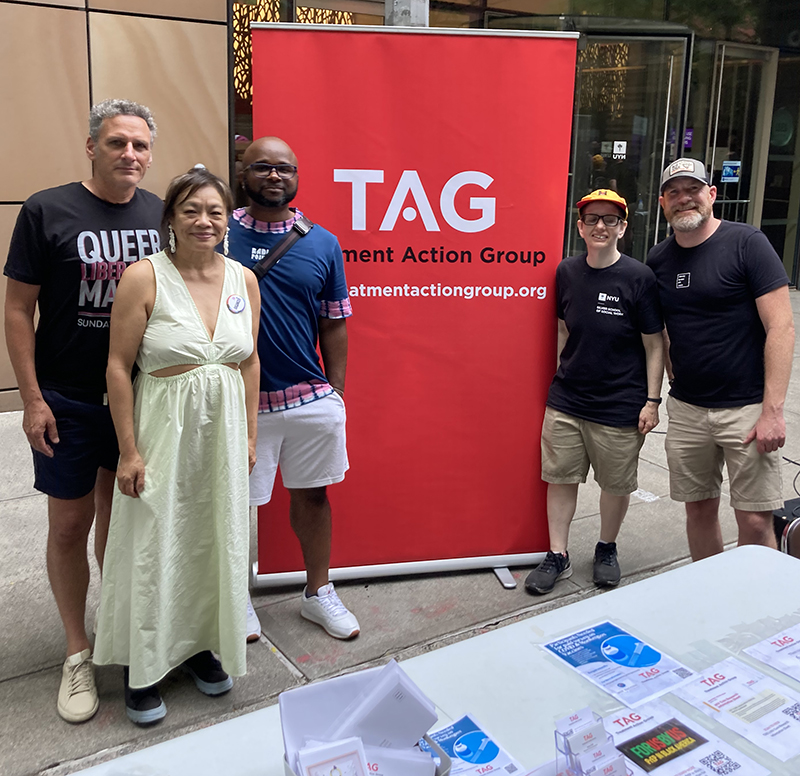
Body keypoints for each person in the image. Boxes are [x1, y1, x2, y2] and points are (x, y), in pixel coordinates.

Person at [3, 99, 162, 723]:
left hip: (140, 402)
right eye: (118, 142)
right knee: (69, 527)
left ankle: (119, 631)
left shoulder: (160, 214)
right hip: (67, 401)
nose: (130, 154)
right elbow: (18, 310)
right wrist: (32, 398)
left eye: (141, 146)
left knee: (119, 526)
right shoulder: (47, 209)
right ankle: (78, 649)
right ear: (91, 146)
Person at [93, 167, 260, 725]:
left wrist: (252, 432)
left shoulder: (243, 280)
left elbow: (249, 360)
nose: (204, 221)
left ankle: (200, 647)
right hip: (161, 428)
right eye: (191, 210)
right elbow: (118, 367)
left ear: (227, 219)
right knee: (154, 540)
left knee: (213, 538)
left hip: (223, 436)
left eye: (215, 211)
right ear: (170, 218)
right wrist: (129, 451)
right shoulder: (145, 278)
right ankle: (142, 667)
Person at [228, 136, 359, 640]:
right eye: (262, 167)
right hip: (241, 405)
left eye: (285, 168)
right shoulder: (217, 236)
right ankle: (235, 598)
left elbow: (335, 323)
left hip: (308, 398)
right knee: (236, 506)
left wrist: (337, 390)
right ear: (244, 174)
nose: (274, 175)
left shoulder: (322, 242)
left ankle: (318, 593)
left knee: (313, 498)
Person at [648, 158, 795, 560]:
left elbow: (781, 327)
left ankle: (752, 613)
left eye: (692, 190)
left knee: (754, 521)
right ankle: (710, 600)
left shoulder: (748, 243)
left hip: (747, 410)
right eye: (674, 192)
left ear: (711, 195)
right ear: (663, 203)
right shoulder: (658, 260)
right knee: (698, 509)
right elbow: (658, 330)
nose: (684, 199)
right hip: (689, 409)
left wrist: (773, 411)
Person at [525, 190, 664, 595]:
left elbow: (655, 343)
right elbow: (563, 329)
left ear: (624, 227)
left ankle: (606, 548)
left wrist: (652, 402)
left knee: (616, 485)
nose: (600, 226)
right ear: (580, 226)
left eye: (610, 219)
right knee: (560, 479)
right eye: (592, 219)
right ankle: (558, 555)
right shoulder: (566, 272)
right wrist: (556, 380)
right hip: (568, 401)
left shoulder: (639, 277)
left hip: (621, 404)